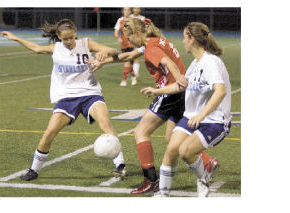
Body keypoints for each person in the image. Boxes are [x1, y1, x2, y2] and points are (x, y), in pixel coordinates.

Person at [89, 18, 218, 194]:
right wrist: (103, 62)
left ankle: (150, 180)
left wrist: (179, 78)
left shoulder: (151, 48)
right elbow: (129, 55)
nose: (129, 42)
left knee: (140, 132)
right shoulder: (156, 40)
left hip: (169, 94)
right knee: (171, 138)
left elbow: (167, 62)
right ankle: (206, 160)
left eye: (129, 38)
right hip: (181, 95)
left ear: (136, 33)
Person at [1, 19, 127, 181]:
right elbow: (37, 49)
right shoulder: (56, 48)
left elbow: (113, 50)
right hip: (67, 97)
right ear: (59, 36)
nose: (69, 41)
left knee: (105, 124)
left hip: (90, 93)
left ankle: (121, 166)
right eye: (65, 38)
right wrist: (16, 38)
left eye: (71, 38)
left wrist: (105, 52)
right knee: (49, 132)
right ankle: (34, 169)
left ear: (75, 34)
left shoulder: (85, 43)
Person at [141, 22, 232, 197]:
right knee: (171, 149)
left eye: (185, 37)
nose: (182, 41)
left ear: (193, 39)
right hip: (192, 117)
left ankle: (203, 179)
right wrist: (156, 91)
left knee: (185, 151)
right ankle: (163, 195)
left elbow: (221, 91)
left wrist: (201, 115)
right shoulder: (195, 63)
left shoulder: (210, 62)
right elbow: (180, 86)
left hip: (215, 120)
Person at [114, 7, 138, 86]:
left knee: (126, 61)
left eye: (128, 10)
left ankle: (124, 80)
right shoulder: (120, 20)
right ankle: (134, 76)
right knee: (129, 63)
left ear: (130, 11)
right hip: (123, 45)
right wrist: (118, 38)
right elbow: (116, 32)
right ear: (123, 11)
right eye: (125, 10)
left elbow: (137, 32)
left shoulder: (133, 20)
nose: (126, 12)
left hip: (132, 44)